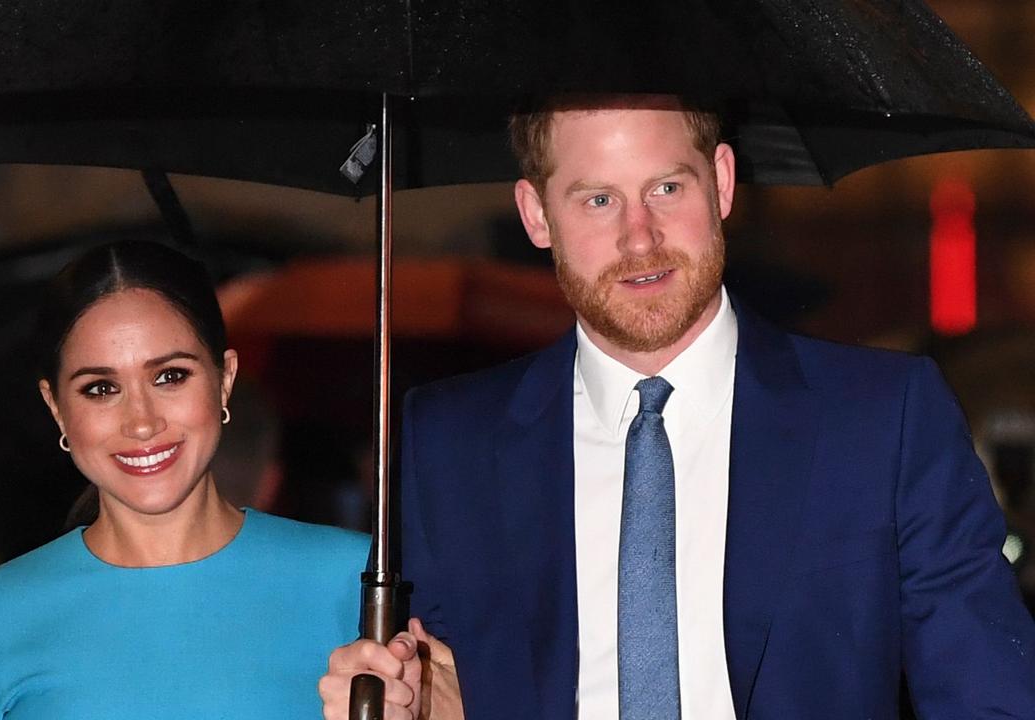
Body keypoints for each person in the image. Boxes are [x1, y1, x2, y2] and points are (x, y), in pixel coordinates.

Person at [319, 95, 1035, 719]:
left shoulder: (884, 419)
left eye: (666, 187)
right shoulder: (448, 442)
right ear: (537, 215)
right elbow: (428, 680)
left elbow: (988, 693)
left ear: (721, 181)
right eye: (598, 199)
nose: (640, 237)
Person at [0, 241, 369, 718]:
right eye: (101, 388)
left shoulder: (359, 578)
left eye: (170, 376)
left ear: (225, 379)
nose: (141, 422)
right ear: (56, 408)